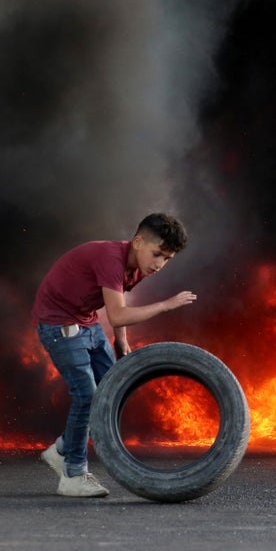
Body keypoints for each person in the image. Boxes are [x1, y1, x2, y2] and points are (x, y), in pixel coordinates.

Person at [32, 213, 196, 497]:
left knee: (113, 391)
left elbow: (117, 311)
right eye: (157, 254)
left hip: (86, 321)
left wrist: (121, 342)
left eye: (167, 259)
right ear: (138, 241)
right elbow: (118, 313)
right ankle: (72, 475)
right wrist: (167, 305)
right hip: (58, 323)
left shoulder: (139, 268)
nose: (159, 264)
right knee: (88, 396)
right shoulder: (110, 258)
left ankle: (61, 450)